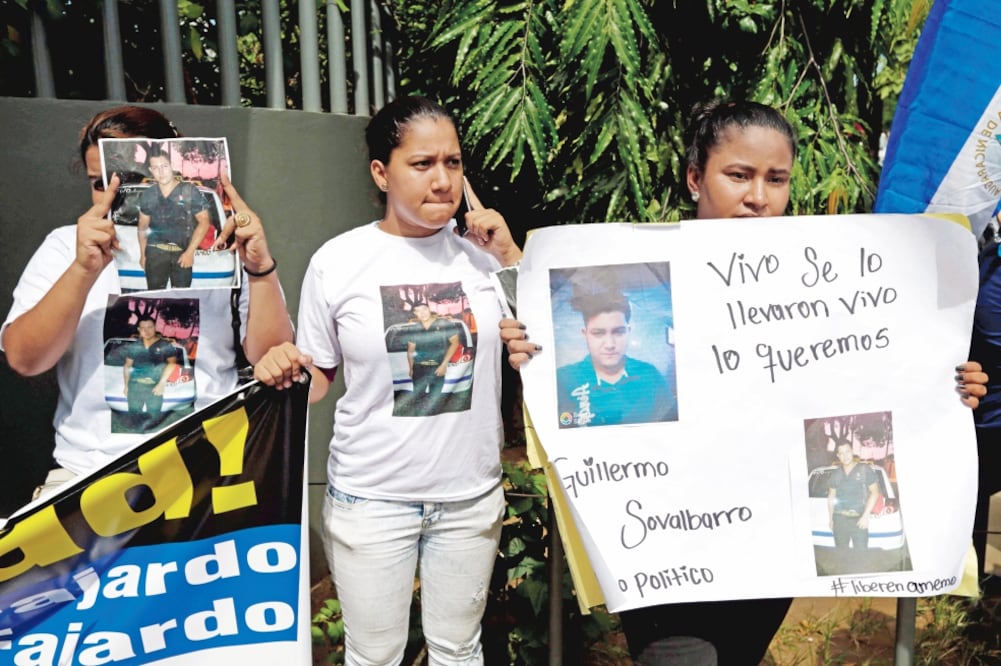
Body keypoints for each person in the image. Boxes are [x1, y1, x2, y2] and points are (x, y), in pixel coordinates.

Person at [500, 99, 989, 665]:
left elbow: (863, 383)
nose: (759, 196)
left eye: (775, 179)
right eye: (739, 175)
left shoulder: (820, 286)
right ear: (694, 177)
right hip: (664, 544)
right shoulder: (629, 267)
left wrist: (943, 387)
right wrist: (532, 346)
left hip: (766, 552)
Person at [252, 95, 522, 664]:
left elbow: (540, 350)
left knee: (459, 650)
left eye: (453, 162)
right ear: (382, 171)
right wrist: (286, 368)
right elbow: (320, 375)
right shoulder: (340, 260)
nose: (443, 179)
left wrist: (511, 257)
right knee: (375, 655)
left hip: (469, 497)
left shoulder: (485, 260)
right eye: (423, 164)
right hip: (371, 499)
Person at [1, 105, 294, 501]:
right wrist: (83, 271)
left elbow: (272, 357)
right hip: (90, 478)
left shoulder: (221, 251)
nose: (115, 195)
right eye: (99, 182)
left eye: (131, 179)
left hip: (206, 474)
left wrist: (260, 268)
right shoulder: (63, 246)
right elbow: (25, 358)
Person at [557, 288, 676, 427]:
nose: (610, 344)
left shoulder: (650, 375)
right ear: (585, 335)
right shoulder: (562, 380)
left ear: (628, 331)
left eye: (618, 332)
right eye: (598, 333)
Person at [138, 144, 212, 289]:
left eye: (164, 166)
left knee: (182, 299)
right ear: (150, 170)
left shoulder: (189, 191)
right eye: (156, 168)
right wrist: (143, 255)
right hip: (155, 254)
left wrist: (190, 252)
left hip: (182, 254)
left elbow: (204, 222)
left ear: (171, 166)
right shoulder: (148, 195)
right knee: (154, 298)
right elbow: (143, 227)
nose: (161, 172)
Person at [122, 316, 182, 432]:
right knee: (134, 417)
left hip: (155, 387)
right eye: (143, 327)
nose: (146, 330)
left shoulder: (165, 345)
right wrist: (126, 385)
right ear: (139, 329)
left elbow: (172, 364)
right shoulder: (135, 346)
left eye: (150, 327)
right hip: (135, 387)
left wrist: (162, 384)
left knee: (154, 419)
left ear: (155, 327)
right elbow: (127, 366)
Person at [828, 441, 879, 552]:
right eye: (841, 453)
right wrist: (831, 519)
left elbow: (875, 492)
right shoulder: (835, 474)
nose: (845, 456)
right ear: (838, 455)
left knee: (861, 555)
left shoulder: (864, 469)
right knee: (841, 554)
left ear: (852, 451)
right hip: (839, 520)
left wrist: (865, 516)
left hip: (859, 519)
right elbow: (831, 497)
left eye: (847, 451)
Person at [406, 301, 461, 402]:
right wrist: (411, 368)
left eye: (424, 309)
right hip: (419, 368)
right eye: (418, 311)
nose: (422, 313)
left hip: (437, 368)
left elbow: (455, 343)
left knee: (435, 400)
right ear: (415, 314)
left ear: (429, 309)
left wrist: (444, 365)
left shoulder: (444, 324)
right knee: (418, 398)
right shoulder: (414, 328)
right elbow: (411, 350)